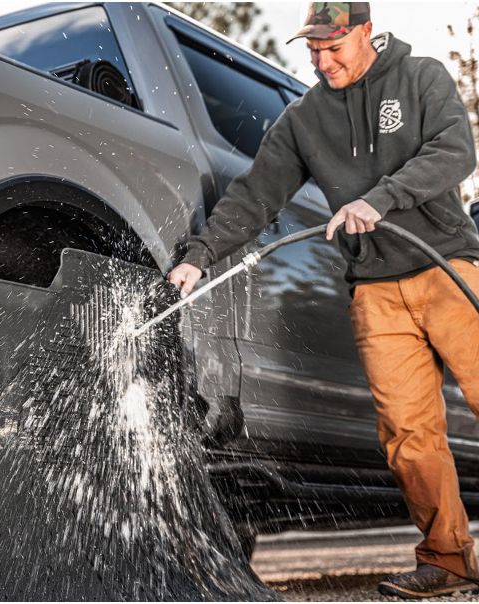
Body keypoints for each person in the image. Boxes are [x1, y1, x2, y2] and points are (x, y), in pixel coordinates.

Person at [168, 2, 479, 599]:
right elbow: (256, 194)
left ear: (366, 32)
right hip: (376, 292)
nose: (321, 59)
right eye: (313, 48)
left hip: (447, 267)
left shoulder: (420, 79)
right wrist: (199, 255)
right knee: (408, 433)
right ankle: (448, 559)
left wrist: (381, 198)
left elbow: (453, 152)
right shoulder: (303, 118)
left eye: (334, 46)